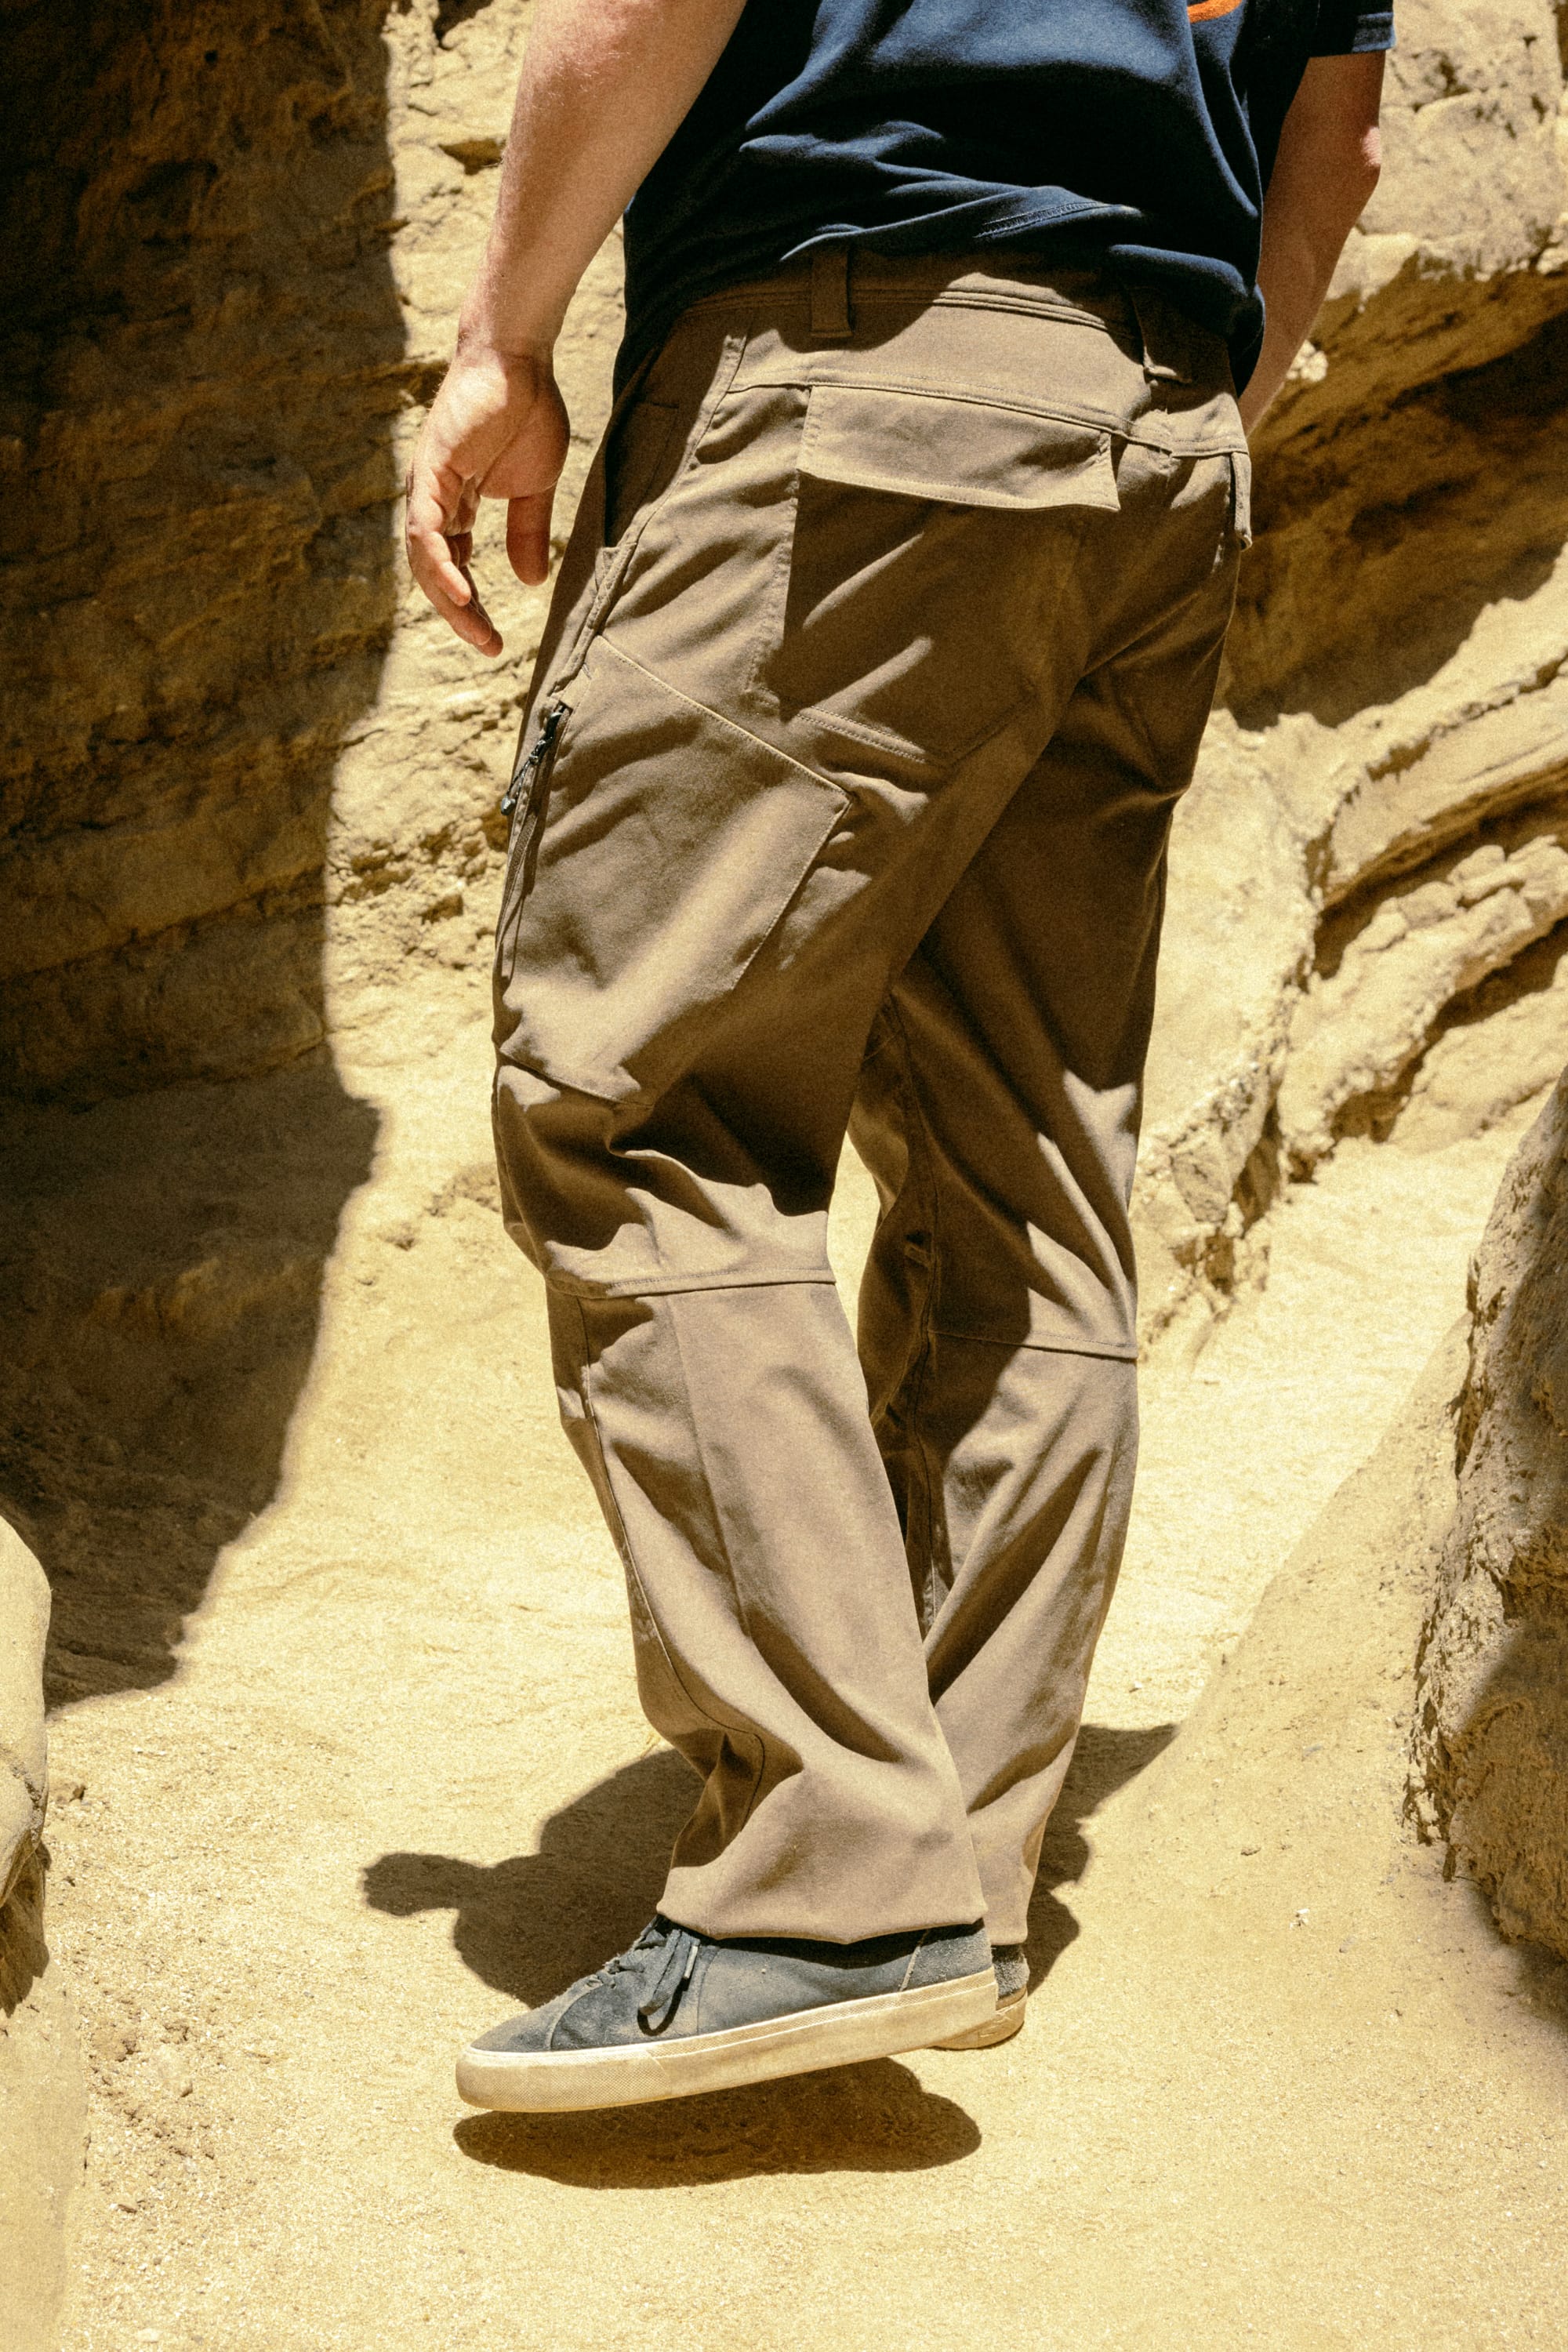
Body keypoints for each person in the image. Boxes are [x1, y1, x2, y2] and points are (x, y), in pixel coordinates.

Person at [405, 0, 1388, 2115]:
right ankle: (948, 1857)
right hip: (1159, 434)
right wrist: (1185, 418)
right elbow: (1335, 144)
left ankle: (826, 1888)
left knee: (633, 1104)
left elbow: (638, 9)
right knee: (1024, 1156)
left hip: (851, 385)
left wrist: (504, 334)